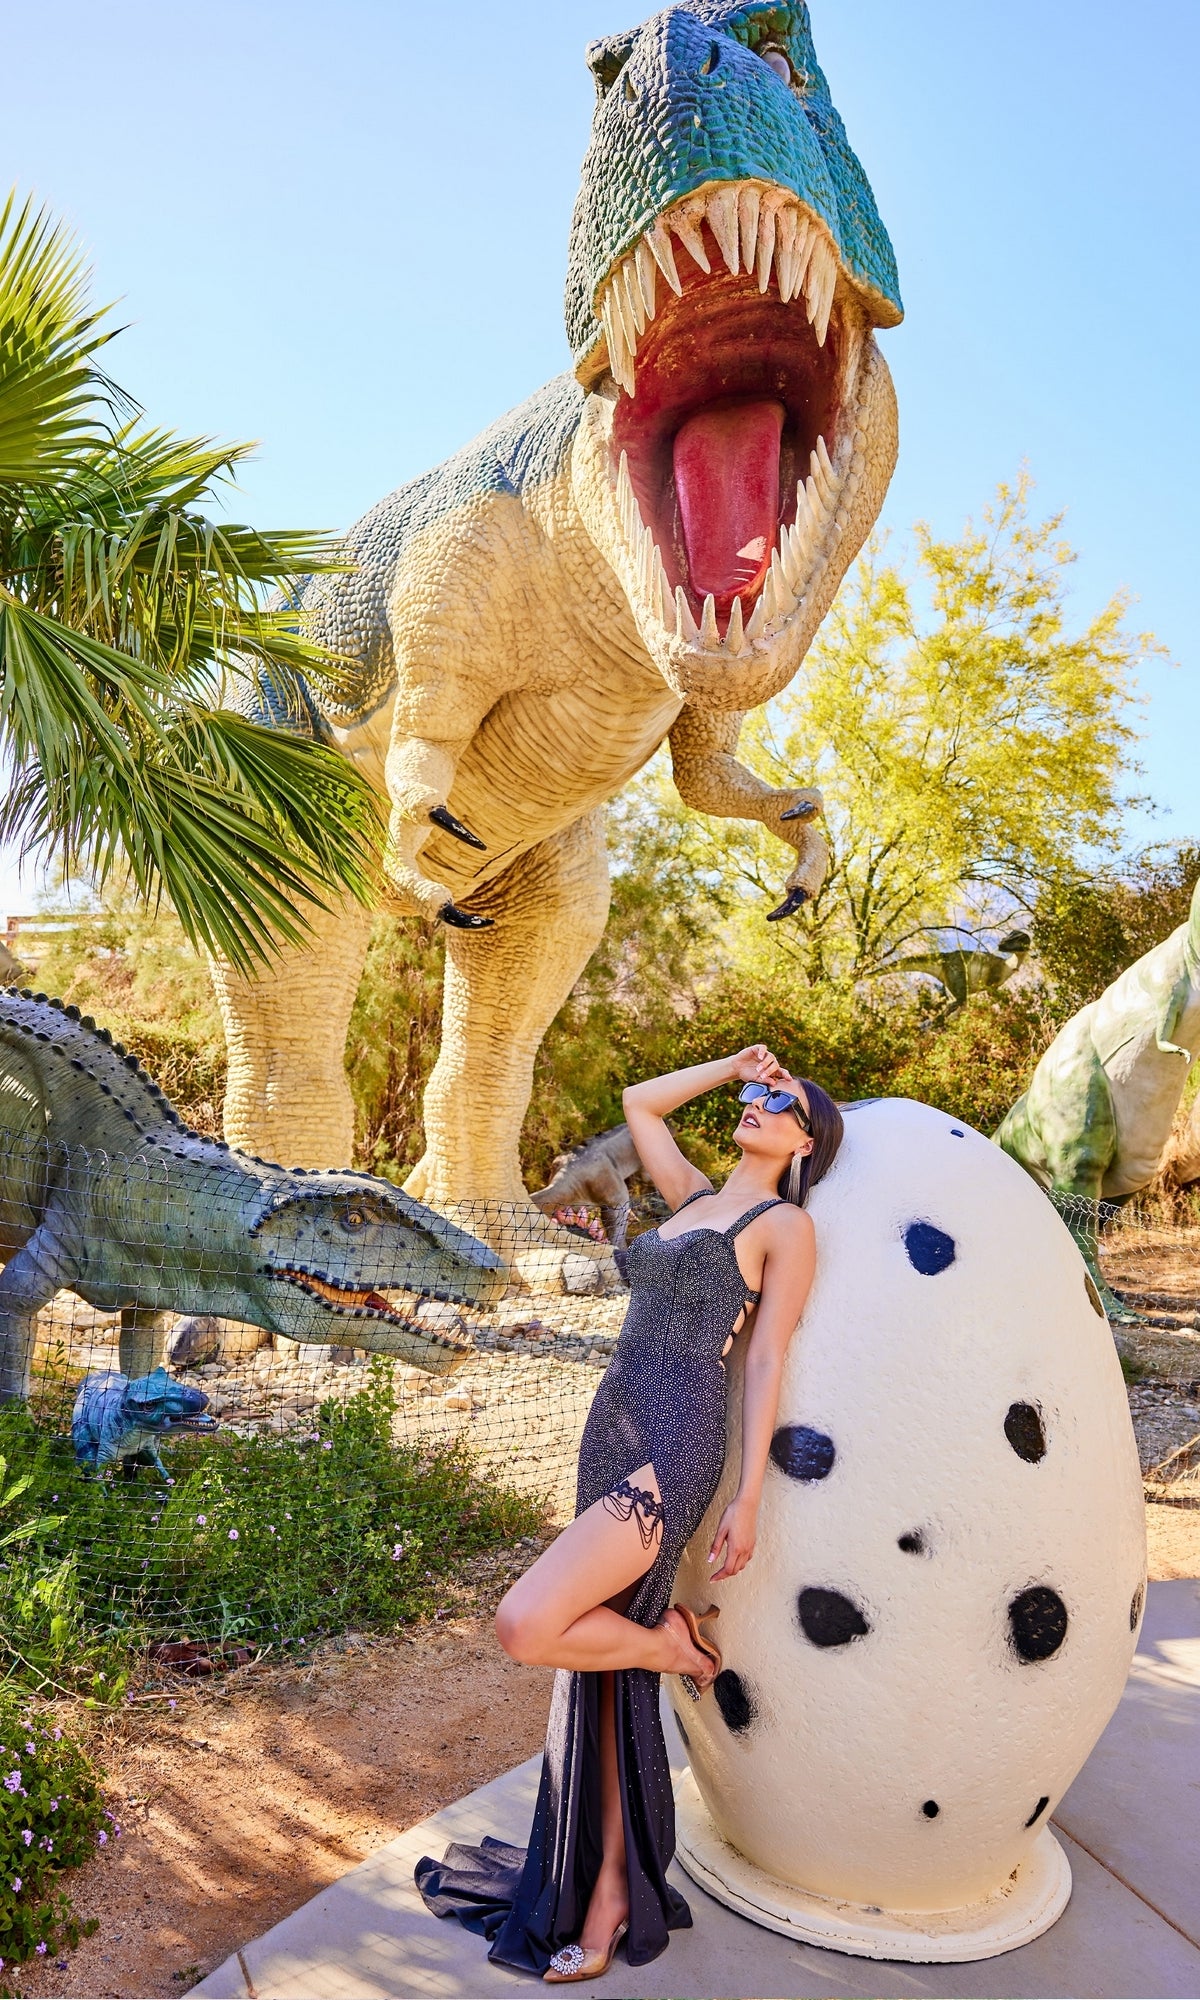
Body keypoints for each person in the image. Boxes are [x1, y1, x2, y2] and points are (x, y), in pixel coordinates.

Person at [415, 1046, 843, 1981]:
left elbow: (765, 1360)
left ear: (805, 1143)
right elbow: (638, 1102)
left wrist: (747, 1496)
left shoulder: (784, 1227)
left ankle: (672, 1646)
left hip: (676, 1440)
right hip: (608, 1425)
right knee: (596, 1680)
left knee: (527, 1625)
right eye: (761, 1093)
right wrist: (731, 1064)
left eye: (783, 1103)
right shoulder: (691, 1195)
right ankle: (609, 1892)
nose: (763, 1104)